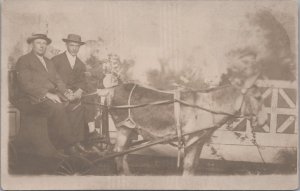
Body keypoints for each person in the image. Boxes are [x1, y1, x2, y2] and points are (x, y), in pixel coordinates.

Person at [14, 33, 83, 158]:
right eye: (38, 43)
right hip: (30, 99)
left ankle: (71, 143)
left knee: (74, 105)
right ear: (32, 44)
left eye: (44, 43)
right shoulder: (24, 60)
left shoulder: (48, 62)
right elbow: (25, 84)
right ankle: (66, 146)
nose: (42, 46)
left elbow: (57, 80)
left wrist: (66, 91)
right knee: (57, 107)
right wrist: (46, 94)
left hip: (48, 96)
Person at [52, 34, 108, 149]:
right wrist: (65, 93)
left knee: (89, 97)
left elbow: (82, 81)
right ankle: (74, 142)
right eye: (72, 45)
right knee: (78, 106)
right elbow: (52, 79)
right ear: (66, 45)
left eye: (77, 46)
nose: (74, 48)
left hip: (74, 94)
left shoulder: (80, 64)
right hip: (59, 93)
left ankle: (89, 133)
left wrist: (80, 90)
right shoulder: (56, 60)